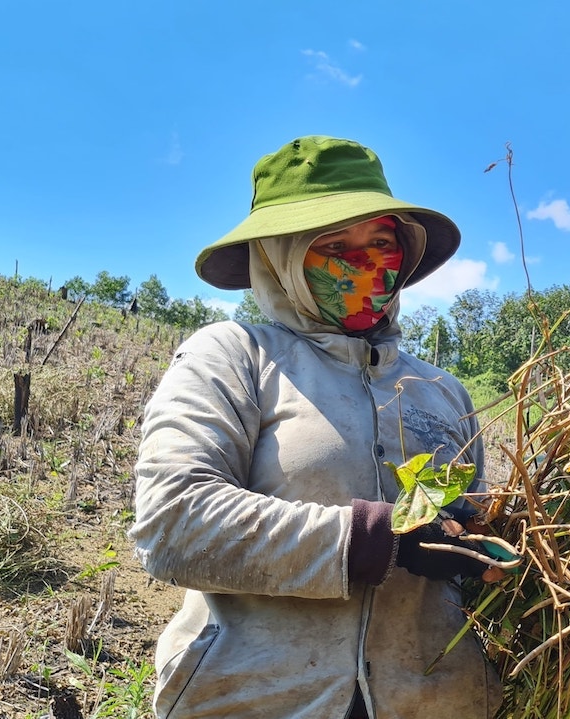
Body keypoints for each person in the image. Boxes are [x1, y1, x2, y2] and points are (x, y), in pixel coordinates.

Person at [129, 136, 503, 719]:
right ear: (281, 256)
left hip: (434, 700)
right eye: (334, 245)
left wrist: (480, 544)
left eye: (380, 241)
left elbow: (480, 529)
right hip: (257, 697)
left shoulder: (443, 390)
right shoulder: (234, 356)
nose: (363, 262)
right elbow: (174, 523)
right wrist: (378, 539)